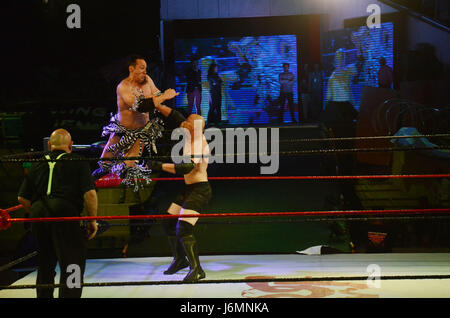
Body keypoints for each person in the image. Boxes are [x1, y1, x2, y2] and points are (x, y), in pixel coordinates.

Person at [17, 129, 98, 298]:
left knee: (45, 262)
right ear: (71, 144)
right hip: (65, 213)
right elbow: (90, 194)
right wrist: (92, 221)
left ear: (49, 145)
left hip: (39, 213)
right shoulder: (77, 161)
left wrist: (36, 213)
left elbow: (21, 198)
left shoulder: (37, 164)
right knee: (73, 262)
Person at [92, 54, 179, 182]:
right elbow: (139, 106)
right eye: (142, 68)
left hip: (141, 132)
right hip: (121, 131)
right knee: (104, 165)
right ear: (131, 69)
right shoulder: (123, 87)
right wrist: (164, 96)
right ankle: (89, 188)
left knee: (128, 166)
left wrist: (164, 98)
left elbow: (156, 94)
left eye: (146, 68)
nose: (145, 71)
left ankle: (122, 189)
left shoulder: (148, 80)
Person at [150, 114, 211, 282]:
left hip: (200, 190)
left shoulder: (199, 143)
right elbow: (176, 116)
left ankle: (196, 269)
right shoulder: (189, 137)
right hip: (189, 188)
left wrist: (159, 165)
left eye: (189, 121)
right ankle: (180, 260)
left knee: (183, 228)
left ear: (195, 127)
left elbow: (185, 167)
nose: (184, 122)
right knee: (169, 222)